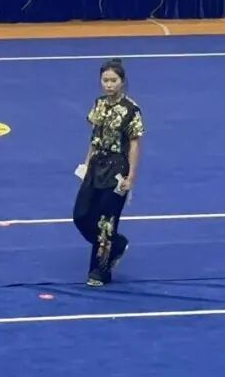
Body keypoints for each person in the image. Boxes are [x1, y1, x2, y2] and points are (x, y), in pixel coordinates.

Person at [73, 59, 144, 287]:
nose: (109, 85)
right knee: (81, 215)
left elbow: (134, 145)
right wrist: (86, 164)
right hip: (96, 166)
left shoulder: (131, 110)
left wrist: (131, 177)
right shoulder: (99, 104)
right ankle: (117, 244)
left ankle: (100, 270)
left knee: (106, 222)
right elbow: (94, 137)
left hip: (116, 169)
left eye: (114, 80)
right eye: (105, 80)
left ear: (122, 82)